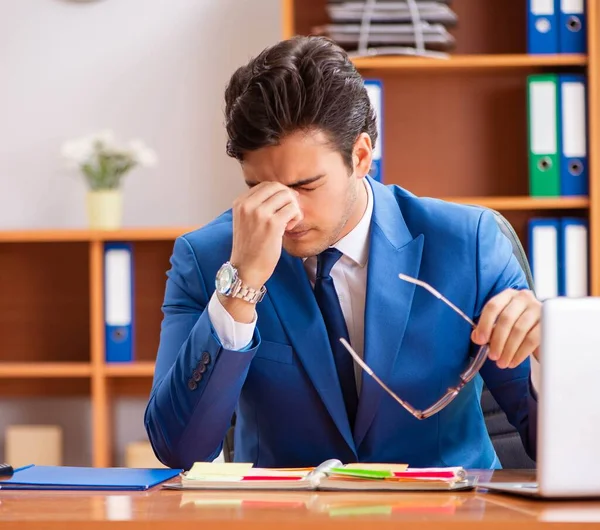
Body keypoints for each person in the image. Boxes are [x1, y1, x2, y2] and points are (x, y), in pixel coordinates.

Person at [144, 35, 541, 470]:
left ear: (362, 156)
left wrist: (551, 352)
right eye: (259, 188)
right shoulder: (208, 259)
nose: (285, 212)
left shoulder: (468, 243)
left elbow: (551, 440)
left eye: (305, 185)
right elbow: (178, 449)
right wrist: (240, 289)